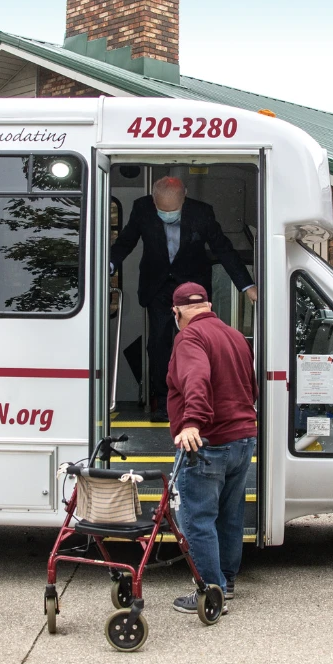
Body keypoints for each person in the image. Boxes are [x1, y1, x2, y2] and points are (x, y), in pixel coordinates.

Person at [110, 175, 257, 421]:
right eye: (162, 211)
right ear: (154, 202)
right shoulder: (142, 208)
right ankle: (165, 402)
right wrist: (109, 264)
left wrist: (247, 286)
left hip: (192, 287)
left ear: (184, 197)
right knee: (158, 343)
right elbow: (126, 242)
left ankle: (198, 400)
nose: (167, 216)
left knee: (197, 342)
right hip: (157, 285)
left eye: (173, 211)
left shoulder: (202, 213)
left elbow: (223, 249)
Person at [164, 282, 257, 613]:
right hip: (242, 439)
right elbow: (251, 386)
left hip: (209, 442)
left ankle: (210, 592)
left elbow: (197, 378)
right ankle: (226, 582)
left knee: (197, 518)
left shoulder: (189, 337)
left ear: (177, 312)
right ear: (207, 305)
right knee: (230, 515)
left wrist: (192, 421)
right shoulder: (234, 336)